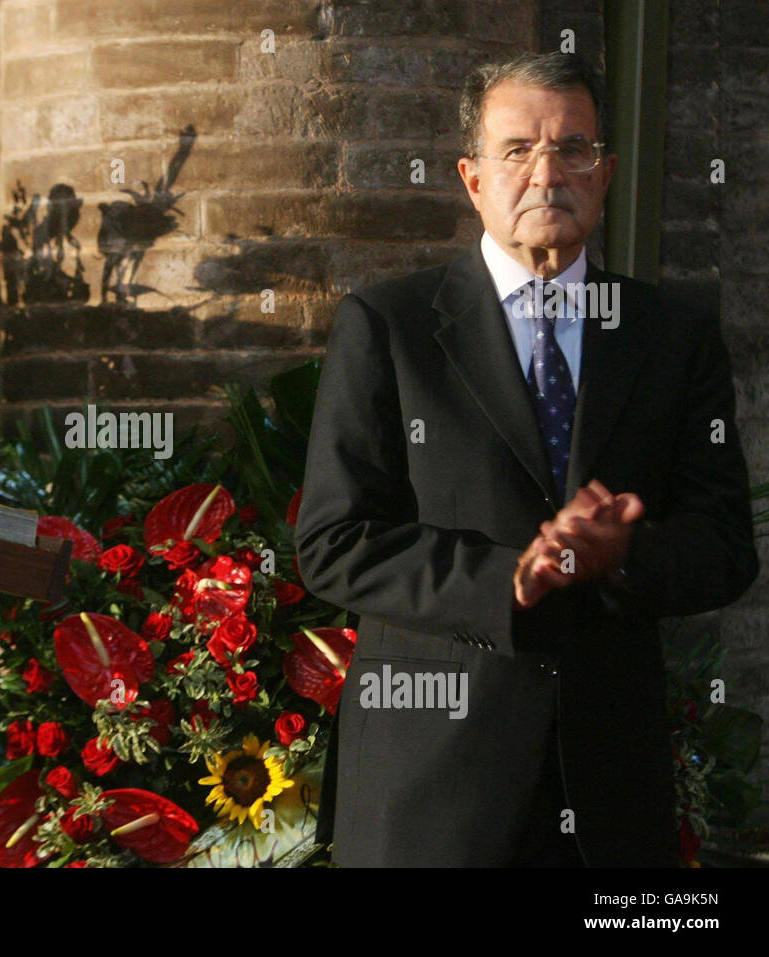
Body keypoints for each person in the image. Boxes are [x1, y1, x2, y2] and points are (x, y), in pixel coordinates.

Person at [295, 51, 759, 867]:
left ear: (606, 172)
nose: (547, 173)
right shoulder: (389, 326)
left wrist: (625, 556)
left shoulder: (671, 336)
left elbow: (725, 547)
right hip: (431, 793)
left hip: (610, 793)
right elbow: (335, 542)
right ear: (473, 178)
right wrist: (508, 578)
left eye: (573, 148)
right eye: (518, 150)